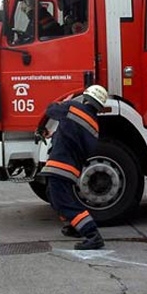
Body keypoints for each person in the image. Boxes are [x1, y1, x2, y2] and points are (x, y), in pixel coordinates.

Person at [35, 85, 108, 250]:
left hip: (59, 165)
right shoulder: (95, 128)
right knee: (53, 195)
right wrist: (56, 135)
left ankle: (93, 235)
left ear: (86, 98)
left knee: (65, 202)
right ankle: (74, 226)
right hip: (71, 169)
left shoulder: (73, 108)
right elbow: (74, 139)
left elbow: (51, 110)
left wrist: (63, 102)